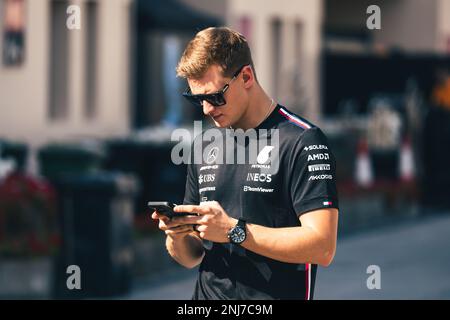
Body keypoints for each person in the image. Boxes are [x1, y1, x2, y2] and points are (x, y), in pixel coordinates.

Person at [151, 27, 339, 300]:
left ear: (246, 76)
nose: (206, 109)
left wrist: (234, 231)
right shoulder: (204, 145)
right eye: (197, 99)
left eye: (215, 96)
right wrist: (177, 235)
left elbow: (322, 247)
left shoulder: (302, 141)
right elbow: (193, 256)